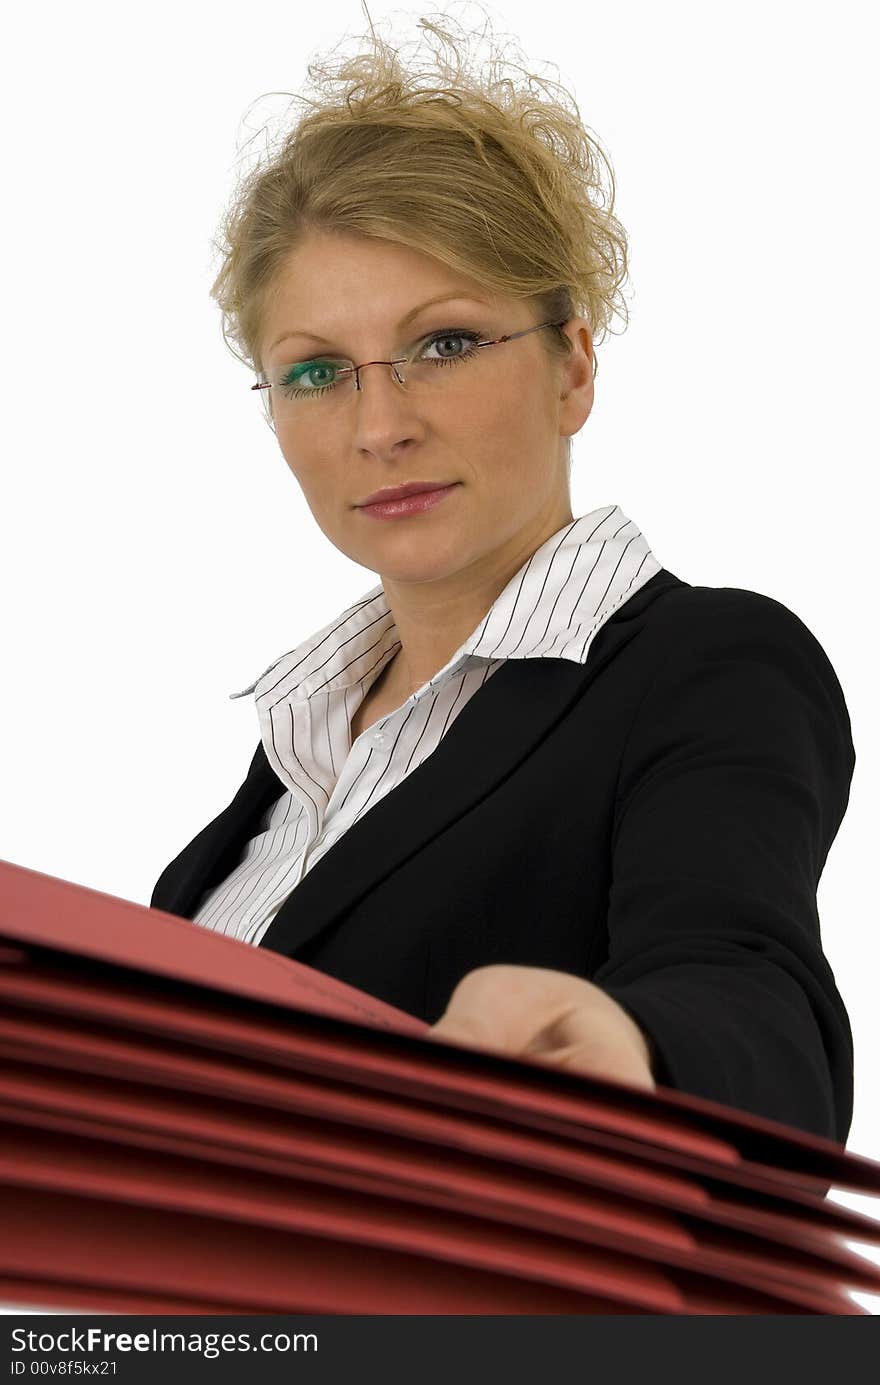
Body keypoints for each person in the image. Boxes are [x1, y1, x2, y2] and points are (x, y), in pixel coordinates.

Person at [150, 10, 856, 1144]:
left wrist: (631, 1042)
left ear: (572, 364)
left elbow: (745, 979)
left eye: (443, 343)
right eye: (317, 370)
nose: (379, 426)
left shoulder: (708, 664)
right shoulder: (293, 762)